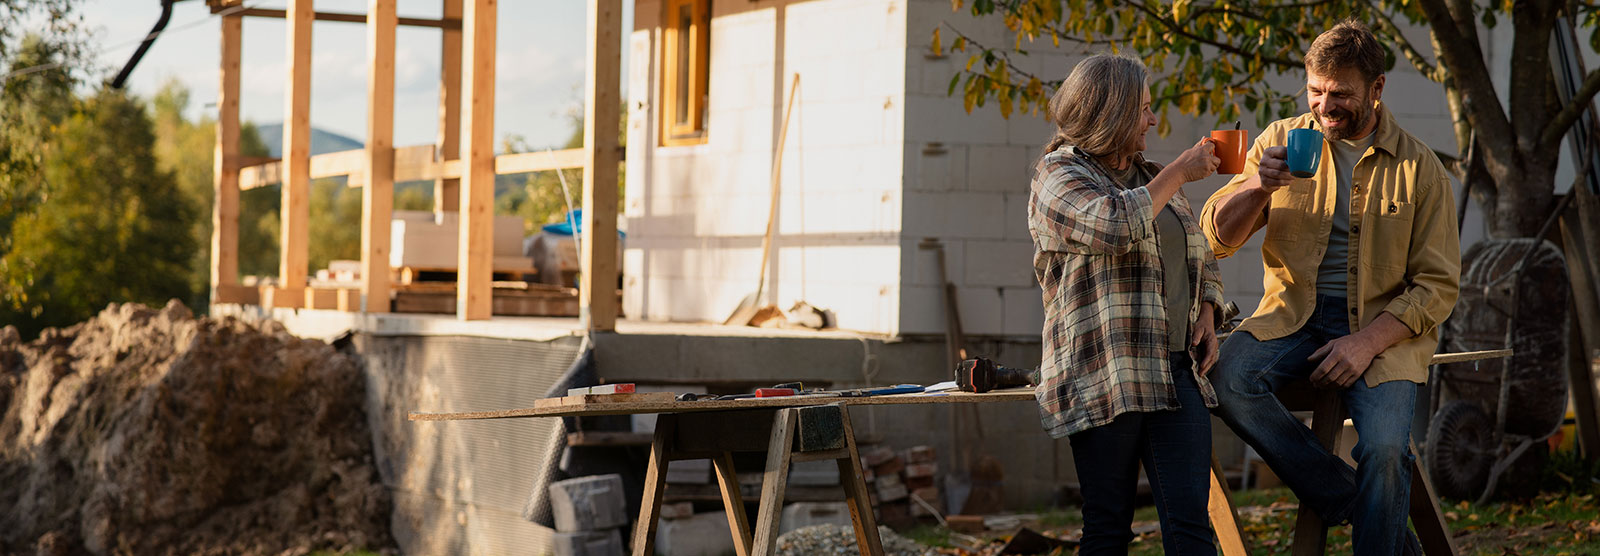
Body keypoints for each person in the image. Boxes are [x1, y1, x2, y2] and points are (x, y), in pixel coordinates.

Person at [1199, 20, 1460, 555]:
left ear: (1377, 89)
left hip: (1382, 331)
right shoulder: (1278, 141)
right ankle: (1352, 501)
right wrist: (1256, 185)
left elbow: (1437, 287)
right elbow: (1215, 238)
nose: (1324, 105)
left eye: (1340, 94)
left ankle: (1371, 510)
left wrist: (1364, 343)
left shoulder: (1421, 169)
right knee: (1226, 379)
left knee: (1386, 452)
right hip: (1292, 315)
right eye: (1315, 91)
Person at [1028, 53, 1226, 555]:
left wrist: (1208, 306)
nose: (1153, 119)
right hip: (1103, 372)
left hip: (1174, 372)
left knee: (1192, 529)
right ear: (1111, 112)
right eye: (1143, 108)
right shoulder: (1058, 175)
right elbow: (1114, 226)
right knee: (1109, 528)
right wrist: (1180, 172)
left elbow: (1198, 251)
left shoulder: (1151, 175)